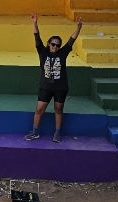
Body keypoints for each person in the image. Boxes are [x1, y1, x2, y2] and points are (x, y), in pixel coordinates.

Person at [26, 13, 83, 143]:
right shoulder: (43, 52)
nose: (55, 47)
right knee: (39, 109)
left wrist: (78, 28)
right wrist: (34, 23)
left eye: (57, 45)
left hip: (60, 87)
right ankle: (35, 132)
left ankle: (57, 133)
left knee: (58, 109)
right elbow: (37, 37)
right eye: (53, 44)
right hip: (45, 86)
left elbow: (71, 40)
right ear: (49, 44)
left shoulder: (63, 53)